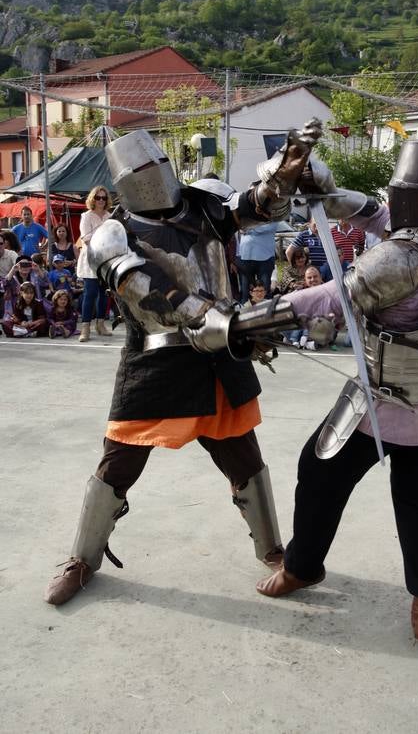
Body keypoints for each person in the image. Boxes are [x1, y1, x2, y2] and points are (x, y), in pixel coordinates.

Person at [44, 121, 325, 606]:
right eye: (142, 169)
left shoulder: (204, 206)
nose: (154, 174)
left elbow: (257, 206)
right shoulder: (114, 232)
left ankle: (273, 551)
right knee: (118, 464)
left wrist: (285, 174)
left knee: (246, 461)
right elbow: (144, 289)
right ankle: (82, 559)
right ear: (124, 182)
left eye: (158, 164)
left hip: (220, 358)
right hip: (156, 360)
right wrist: (207, 313)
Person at [257, 140, 418, 643]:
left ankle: (304, 566)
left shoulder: (398, 259)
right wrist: (331, 198)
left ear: (408, 197)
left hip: (382, 405)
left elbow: (328, 300)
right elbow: (379, 216)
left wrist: (239, 321)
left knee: (318, 474)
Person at [77, 186, 113, 342]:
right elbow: (86, 238)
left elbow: (114, 236)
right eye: (98, 197)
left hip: (106, 259)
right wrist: (104, 238)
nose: (101, 201)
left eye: (104, 198)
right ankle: (85, 329)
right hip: (91, 259)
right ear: (92, 199)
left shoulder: (110, 216)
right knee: (90, 293)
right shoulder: (86, 216)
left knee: (104, 293)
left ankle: (100, 324)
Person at [235, 221, 286, 303]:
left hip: (266, 258)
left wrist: (248, 228)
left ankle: (267, 314)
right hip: (245, 256)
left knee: (265, 292)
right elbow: (240, 226)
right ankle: (245, 314)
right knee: (245, 293)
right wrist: (254, 227)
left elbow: (270, 227)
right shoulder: (247, 212)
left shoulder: (273, 212)